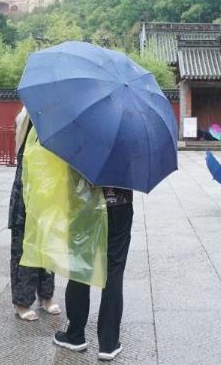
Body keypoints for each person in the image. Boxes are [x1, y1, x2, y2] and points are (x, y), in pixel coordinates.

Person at [54, 186, 133, 361]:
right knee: (114, 272)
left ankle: (75, 335)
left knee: (80, 267)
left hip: (85, 203)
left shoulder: (82, 155)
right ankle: (108, 343)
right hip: (120, 204)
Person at [8, 107, 60, 321]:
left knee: (48, 244)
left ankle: (46, 296)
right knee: (23, 245)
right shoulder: (27, 114)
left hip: (49, 187)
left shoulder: (56, 116)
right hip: (27, 188)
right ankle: (22, 301)